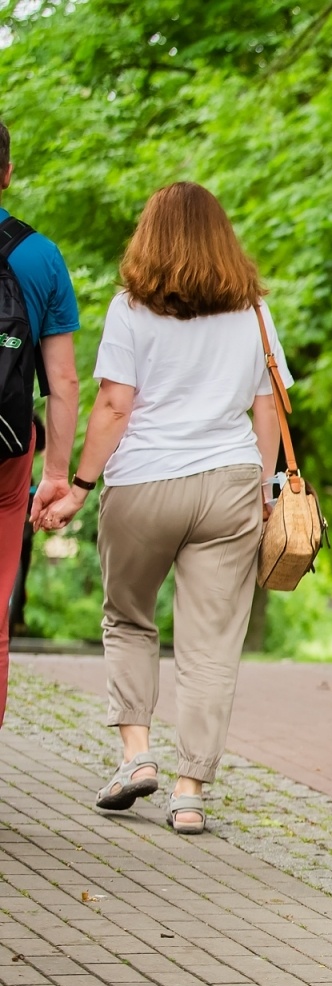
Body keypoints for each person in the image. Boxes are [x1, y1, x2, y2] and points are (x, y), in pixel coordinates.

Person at [39, 182, 286, 835]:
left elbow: (116, 407)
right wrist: (267, 491)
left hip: (144, 481)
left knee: (128, 618)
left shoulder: (130, 308)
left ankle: (136, 756)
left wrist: (79, 486)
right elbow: (267, 408)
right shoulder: (254, 311)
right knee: (210, 646)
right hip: (229, 482)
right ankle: (190, 792)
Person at [0, 118, 81, 727]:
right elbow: (64, 381)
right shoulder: (39, 255)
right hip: (6, 446)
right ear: (6, 173)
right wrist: (57, 473)